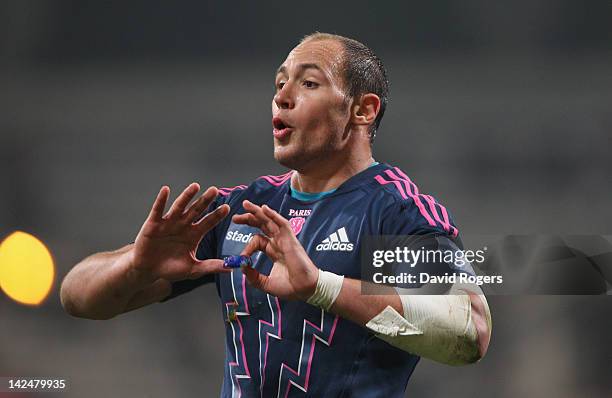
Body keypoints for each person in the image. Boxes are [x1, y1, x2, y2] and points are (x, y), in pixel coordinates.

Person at [61, 32, 491, 397]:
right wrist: (135, 266)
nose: (281, 97)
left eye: (308, 83)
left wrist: (320, 285)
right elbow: (77, 298)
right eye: (279, 83)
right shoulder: (240, 210)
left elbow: (469, 328)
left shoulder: (391, 212)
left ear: (363, 110)